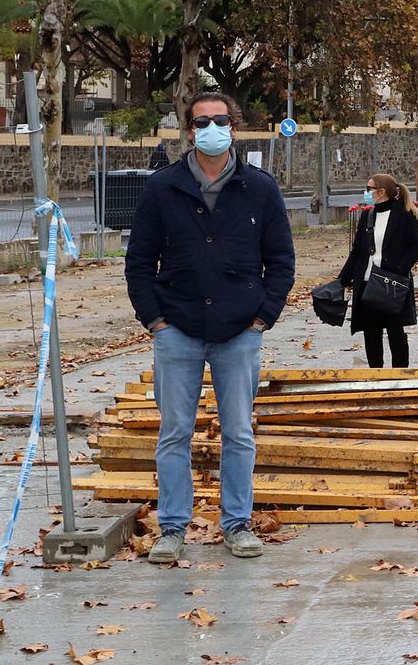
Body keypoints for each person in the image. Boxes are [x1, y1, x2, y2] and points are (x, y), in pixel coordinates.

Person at [124, 91, 295, 565]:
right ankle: (172, 528)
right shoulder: (163, 187)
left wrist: (264, 316)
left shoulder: (260, 187)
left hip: (239, 330)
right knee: (174, 433)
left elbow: (281, 260)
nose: (212, 128)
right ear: (189, 130)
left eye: (220, 120)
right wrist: (154, 320)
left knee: (239, 432)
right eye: (202, 122)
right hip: (176, 328)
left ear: (233, 127)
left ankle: (237, 524)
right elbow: (139, 261)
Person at [338, 173, 418, 369]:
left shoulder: (404, 214)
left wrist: (399, 267)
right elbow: (357, 251)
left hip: (391, 283)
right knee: (371, 332)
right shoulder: (368, 216)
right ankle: (375, 374)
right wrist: (342, 279)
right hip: (368, 283)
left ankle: (400, 375)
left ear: (381, 191)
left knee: (395, 331)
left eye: (369, 189)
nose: (366, 192)